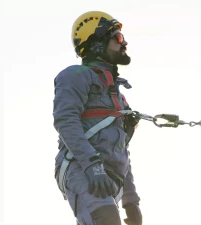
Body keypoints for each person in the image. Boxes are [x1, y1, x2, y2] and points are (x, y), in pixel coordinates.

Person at [52, 11, 142, 225]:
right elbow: (66, 121)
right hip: (80, 168)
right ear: (96, 43)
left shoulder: (119, 98)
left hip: (110, 177)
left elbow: (121, 149)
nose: (125, 42)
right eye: (118, 37)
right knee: (106, 220)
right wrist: (94, 166)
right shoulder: (75, 76)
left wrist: (131, 200)